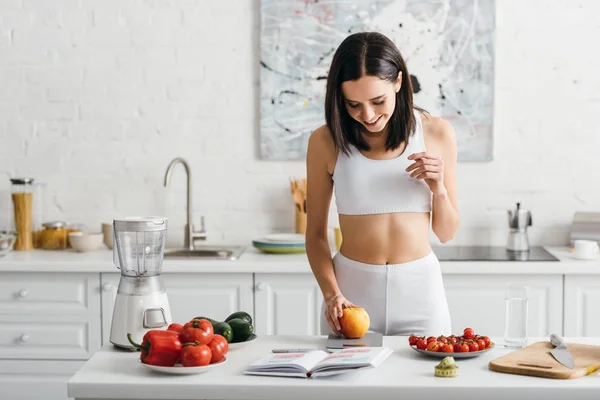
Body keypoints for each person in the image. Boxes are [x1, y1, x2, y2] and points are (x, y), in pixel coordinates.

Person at [305, 32, 460, 337]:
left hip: (421, 296)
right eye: (353, 104)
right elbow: (315, 235)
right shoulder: (324, 142)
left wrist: (438, 189)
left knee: (425, 382)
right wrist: (331, 294)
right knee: (346, 384)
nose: (368, 115)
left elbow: (447, 233)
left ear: (399, 83)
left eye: (378, 101)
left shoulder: (437, 133)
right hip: (350, 298)